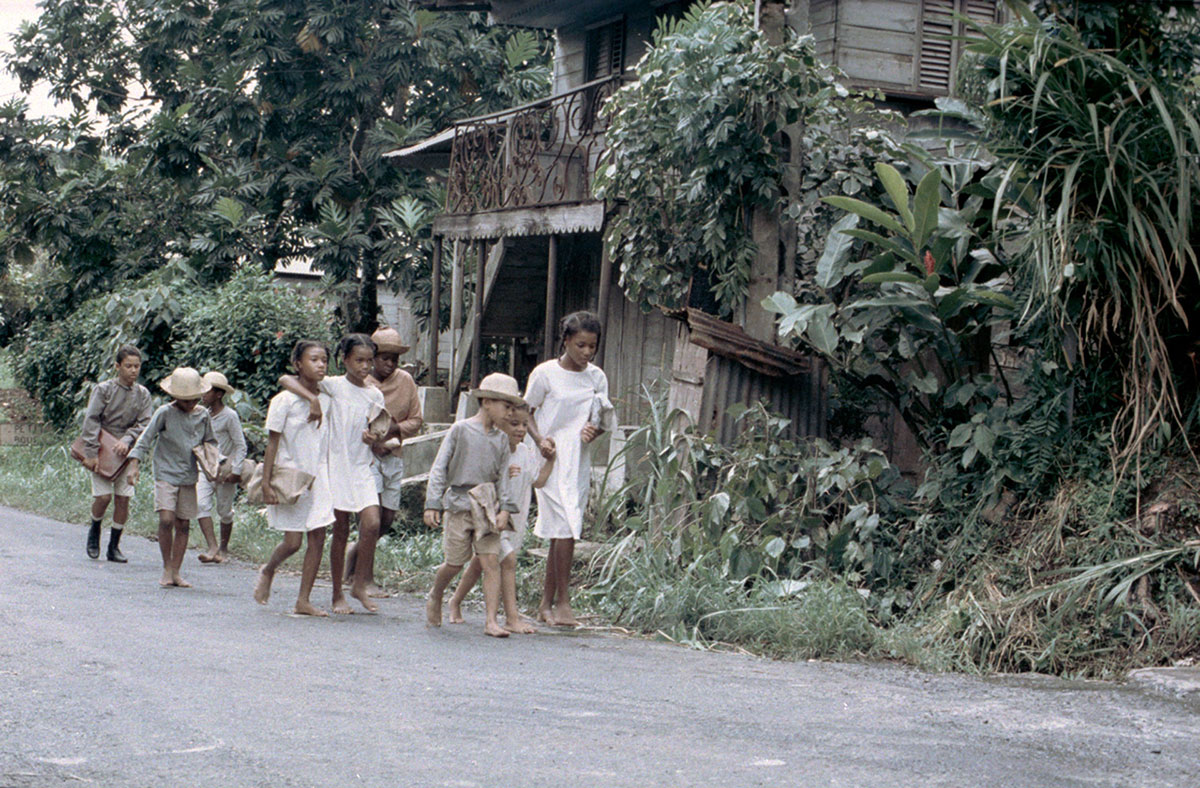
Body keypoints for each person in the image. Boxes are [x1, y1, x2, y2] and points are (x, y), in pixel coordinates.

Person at [279, 334, 386, 615]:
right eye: (359, 360)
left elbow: (379, 429)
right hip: (336, 464)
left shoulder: (375, 393)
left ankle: (359, 584)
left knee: (372, 523)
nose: (365, 367)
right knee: (339, 530)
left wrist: (373, 436)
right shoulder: (333, 385)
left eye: (369, 361)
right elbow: (286, 380)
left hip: (362, 465)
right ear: (345, 360)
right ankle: (337, 593)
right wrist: (311, 399)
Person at [523, 311, 611, 627]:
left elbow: (600, 420)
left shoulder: (597, 377)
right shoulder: (545, 374)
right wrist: (539, 439)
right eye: (581, 345)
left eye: (592, 347)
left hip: (578, 460)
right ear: (566, 341)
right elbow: (526, 412)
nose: (587, 353)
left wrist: (594, 431)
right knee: (565, 527)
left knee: (565, 529)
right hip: (549, 458)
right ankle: (562, 602)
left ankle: (546, 605)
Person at [424, 372, 523, 638]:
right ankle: (436, 593)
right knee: (455, 562)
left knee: (490, 561)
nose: (510, 413)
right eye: (506, 406)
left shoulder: (502, 440)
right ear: (488, 402)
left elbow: (503, 477)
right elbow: (439, 467)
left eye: (513, 408)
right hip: (459, 503)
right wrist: (433, 503)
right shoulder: (461, 430)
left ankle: (491, 621)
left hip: (487, 506)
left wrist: (504, 509)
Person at [448, 404, 554, 634]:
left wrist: (551, 460)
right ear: (500, 424)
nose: (520, 429)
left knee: (480, 565)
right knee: (509, 561)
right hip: (492, 517)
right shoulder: (493, 449)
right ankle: (510, 618)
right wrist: (503, 475)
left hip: (515, 520)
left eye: (525, 424)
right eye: (514, 424)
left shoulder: (525, 452)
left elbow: (538, 481)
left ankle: (455, 601)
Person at [254, 341, 334, 616]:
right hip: (291, 475)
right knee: (293, 542)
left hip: (319, 475)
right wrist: (266, 483)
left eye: (324, 359)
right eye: (314, 359)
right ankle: (269, 568)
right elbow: (272, 444)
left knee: (318, 536)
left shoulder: (328, 398)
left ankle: (304, 599)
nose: (321, 365)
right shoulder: (283, 401)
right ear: (298, 364)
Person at [344, 326, 423, 597]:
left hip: (394, 455)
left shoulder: (406, 382)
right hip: (367, 457)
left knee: (386, 520)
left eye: (394, 359)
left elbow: (416, 420)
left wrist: (393, 431)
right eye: (384, 358)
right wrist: (372, 441)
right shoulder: (362, 383)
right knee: (372, 519)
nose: (389, 364)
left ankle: (353, 559)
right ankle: (364, 579)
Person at [127, 367, 217, 588]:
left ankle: (176, 570)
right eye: (185, 401)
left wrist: (212, 461)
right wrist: (134, 463)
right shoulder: (165, 413)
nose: (190, 404)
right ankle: (166, 567)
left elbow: (211, 442)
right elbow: (146, 438)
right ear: (175, 397)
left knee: (184, 523)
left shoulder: (203, 415)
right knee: (166, 519)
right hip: (166, 472)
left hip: (189, 474)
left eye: (193, 400)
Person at [80, 345, 152, 563]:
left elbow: (145, 423)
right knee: (103, 497)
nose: (133, 371)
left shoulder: (143, 394)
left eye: (137, 366)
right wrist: (91, 452)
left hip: (127, 453)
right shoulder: (103, 390)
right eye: (128, 366)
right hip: (102, 448)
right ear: (117, 366)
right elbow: (91, 420)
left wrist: (128, 440)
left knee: (123, 499)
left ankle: (114, 546)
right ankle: (94, 530)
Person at [197, 371, 247, 564]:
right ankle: (212, 547)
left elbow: (240, 444)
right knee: (201, 505)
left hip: (225, 470)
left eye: (207, 391)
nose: (204, 395)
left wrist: (236, 470)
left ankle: (223, 548)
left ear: (218, 394)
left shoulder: (230, 416)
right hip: (205, 468)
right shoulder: (202, 414)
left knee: (224, 511)